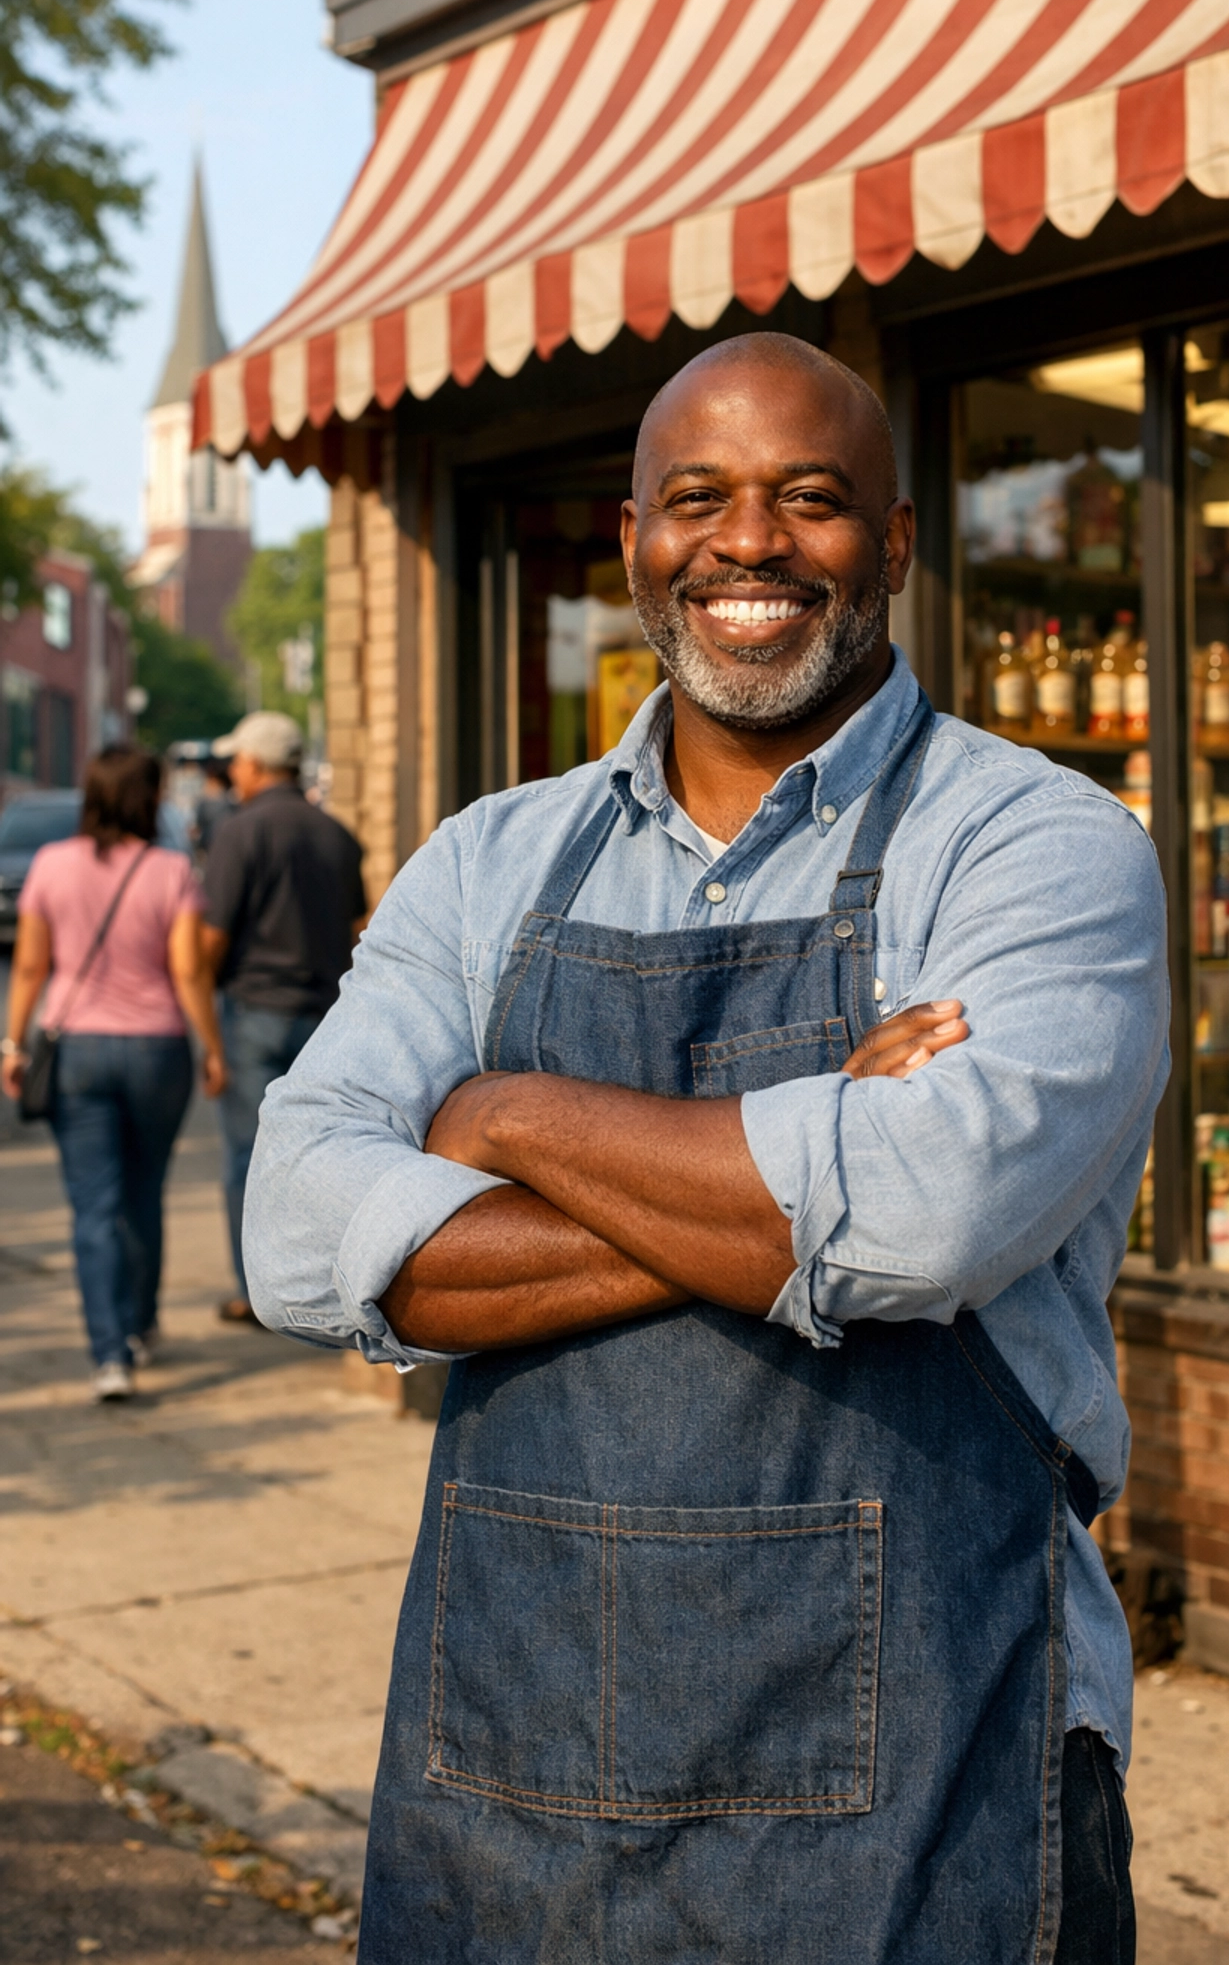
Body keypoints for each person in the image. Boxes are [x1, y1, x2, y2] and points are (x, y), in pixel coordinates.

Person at [246, 334, 1168, 1964]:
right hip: (510, 1769)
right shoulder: (488, 861)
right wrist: (803, 1144)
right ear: (633, 542)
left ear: (890, 541)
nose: (749, 541)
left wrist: (499, 1118)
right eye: (700, 500)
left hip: (937, 1764)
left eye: (809, 499)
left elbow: (928, 1211)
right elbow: (300, 1234)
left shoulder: (1039, 844)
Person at [2, 747, 226, 1402]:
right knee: (144, 1192)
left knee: (93, 1207)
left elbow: (29, 967)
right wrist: (212, 1048)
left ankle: (108, 1356)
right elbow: (188, 971)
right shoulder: (170, 870)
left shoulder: (50, 865)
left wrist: (14, 1043)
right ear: (148, 798)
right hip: (156, 1048)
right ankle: (141, 1324)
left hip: (78, 1051)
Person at [202, 711, 366, 1326]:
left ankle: (257, 1290)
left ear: (255, 764)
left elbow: (212, 936)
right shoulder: (336, 834)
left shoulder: (240, 834)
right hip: (324, 1016)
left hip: (256, 1013)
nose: (233, 772)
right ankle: (324, 1282)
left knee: (248, 1154)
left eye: (238, 762)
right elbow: (359, 927)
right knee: (323, 1157)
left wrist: (203, 1007)